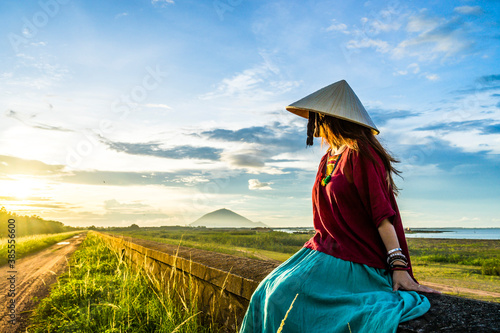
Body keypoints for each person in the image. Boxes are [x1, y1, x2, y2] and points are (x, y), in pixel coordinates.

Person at [239, 80, 440, 333]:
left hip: (355, 258)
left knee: (286, 295)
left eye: (316, 117)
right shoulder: (328, 157)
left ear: (328, 118)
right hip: (323, 249)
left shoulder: (361, 153)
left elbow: (382, 215)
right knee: (267, 292)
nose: (312, 123)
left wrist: (399, 267)